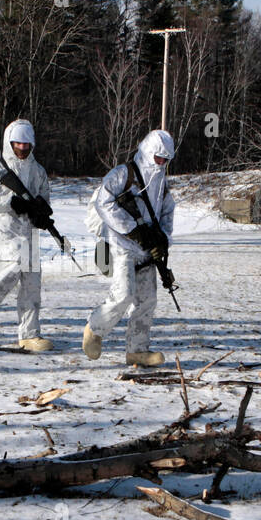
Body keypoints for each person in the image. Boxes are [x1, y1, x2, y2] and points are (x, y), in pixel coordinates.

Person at [83, 130, 176, 366]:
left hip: (145, 249)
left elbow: (167, 210)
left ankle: (137, 349)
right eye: (158, 158)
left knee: (148, 300)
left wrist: (162, 239)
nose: (162, 164)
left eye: (166, 160)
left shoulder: (161, 181)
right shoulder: (123, 174)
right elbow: (103, 202)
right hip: (121, 244)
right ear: (148, 152)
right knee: (123, 295)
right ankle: (95, 328)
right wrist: (131, 229)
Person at [0, 119, 53, 352]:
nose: (23, 149)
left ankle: (29, 334)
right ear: (10, 142)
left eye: (27, 145)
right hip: (4, 234)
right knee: (5, 279)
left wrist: (41, 213)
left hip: (30, 235)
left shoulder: (38, 171)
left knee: (32, 285)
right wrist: (10, 202)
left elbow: (44, 197)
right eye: (18, 144)